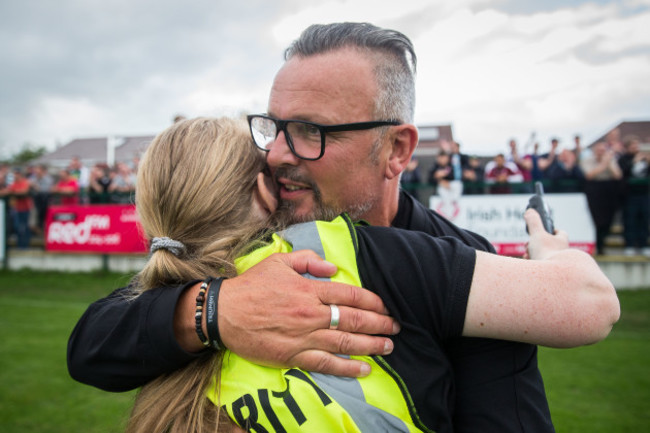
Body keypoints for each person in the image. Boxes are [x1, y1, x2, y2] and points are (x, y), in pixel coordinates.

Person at [68, 22, 605, 432]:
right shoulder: (261, 232)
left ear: (397, 149)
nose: (277, 154)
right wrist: (216, 309)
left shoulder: (459, 257)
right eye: (274, 127)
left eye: (309, 132)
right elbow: (93, 345)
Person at [125, 116, 618, 432]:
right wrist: (551, 250)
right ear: (263, 187)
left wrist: (211, 310)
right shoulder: (344, 248)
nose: (284, 153)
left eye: (313, 131)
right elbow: (590, 305)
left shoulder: (161, 298)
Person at [580, 141, 623, 255]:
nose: (601, 152)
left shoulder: (611, 160)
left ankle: (602, 243)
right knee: (596, 219)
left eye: (603, 150)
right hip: (594, 191)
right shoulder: (587, 160)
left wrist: (609, 163)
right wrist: (603, 164)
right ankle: (598, 246)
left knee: (609, 219)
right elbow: (589, 175)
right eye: (599, 150)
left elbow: (618, 175)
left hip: (609, 191)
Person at [618, 135, 650, 256]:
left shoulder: (644, 159)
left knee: (644, 219)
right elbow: (622, 173)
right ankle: (629, 245)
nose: (636, 148)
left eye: (637, 145)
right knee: (630, 220)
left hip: (644, 194)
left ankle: (644, 244)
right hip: (629, 196)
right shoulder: (623, 159)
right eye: (633, 145)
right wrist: (634, 162)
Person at [0, 168, 34, 249]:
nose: (15, 175)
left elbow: (23, 191)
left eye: (16, 174)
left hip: (26, 209)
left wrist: (12, 191)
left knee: (25, 227)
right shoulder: (14, 183)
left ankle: (25, 245)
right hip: (17, 209)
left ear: (20, 174)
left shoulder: (25, 182)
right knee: (17, 227)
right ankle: (20, 245)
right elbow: (6, 191)